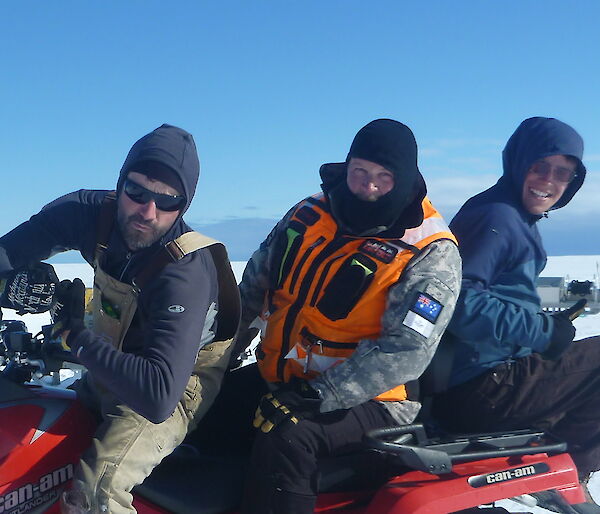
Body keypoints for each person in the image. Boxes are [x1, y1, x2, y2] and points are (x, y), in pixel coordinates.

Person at [0, 124, 240, 513]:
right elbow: (8, 251)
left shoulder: (184, 271)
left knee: (96, 491)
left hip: (173, 386)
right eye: (137, 191)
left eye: (167, 201)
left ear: (185, 204)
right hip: (110, 365)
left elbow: (158, 397)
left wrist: (74, 338)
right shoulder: (88, 213)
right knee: (42, 441)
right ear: (120, 182)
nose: (147, 211)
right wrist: (8, 285)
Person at [234, 118, 462, 513]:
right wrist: (212, 356)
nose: (368, 186)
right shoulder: (307, 215)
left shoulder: (429, 250)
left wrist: (319, 395)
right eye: (360, 172)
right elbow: (251, 291)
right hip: (286, 378)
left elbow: (406, 350)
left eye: (383, 178)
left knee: (288, 438)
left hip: (374, 399)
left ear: (404, 178)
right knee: (208, 405)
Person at [432, 117, 600, 513]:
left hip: (481, 377)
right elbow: (460, 303)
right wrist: (543, 331)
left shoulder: (503, 212)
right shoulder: (498, 218)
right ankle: (567, 472)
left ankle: (553, 463)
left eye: (563, 173)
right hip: (483, 388)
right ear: (518, 162)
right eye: (539, 166)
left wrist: (545, 329)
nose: (548, 181)